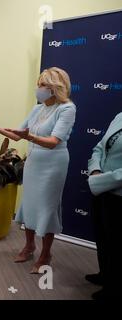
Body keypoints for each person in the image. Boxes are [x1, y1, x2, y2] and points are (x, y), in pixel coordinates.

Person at [0, 67, 76, 274]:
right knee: (29, 205)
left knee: (47, 208)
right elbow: (17, 135)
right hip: (33, 162)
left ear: (55, 88)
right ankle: (29, 246)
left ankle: (46, 254)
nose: (38, 89)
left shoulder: (66, 109)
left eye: (43, 85)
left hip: (52, 164)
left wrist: (29, 137)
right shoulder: (37, 109)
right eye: (39, 84)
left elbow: (53, 141)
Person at [86, 112, 122, 300]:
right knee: (103, 236)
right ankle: (105, 275)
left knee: (117, 243)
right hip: (101, 189)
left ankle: (114, 288)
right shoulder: (119, 116)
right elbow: (100, 147)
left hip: (117, 193)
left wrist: (102, 181)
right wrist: (95, 170)